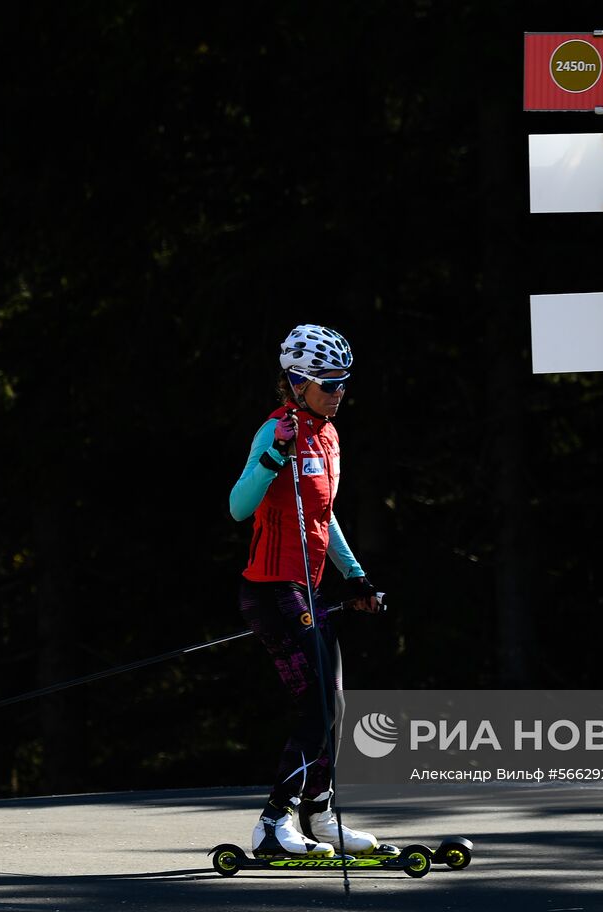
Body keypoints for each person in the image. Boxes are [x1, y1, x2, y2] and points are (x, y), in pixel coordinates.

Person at [228, 323, 382, 858]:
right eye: (328, 383)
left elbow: (322, 514)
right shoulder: (276, 432)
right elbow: (238, 506)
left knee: (335, 704)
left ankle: (318, 814)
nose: (340, 392)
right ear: (297, 383)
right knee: (316, 707)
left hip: (310, 588)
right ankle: (273, 822)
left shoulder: (328, 435)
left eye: (344, 382)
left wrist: (355, 574)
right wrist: (274, 459)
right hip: (272, 590)